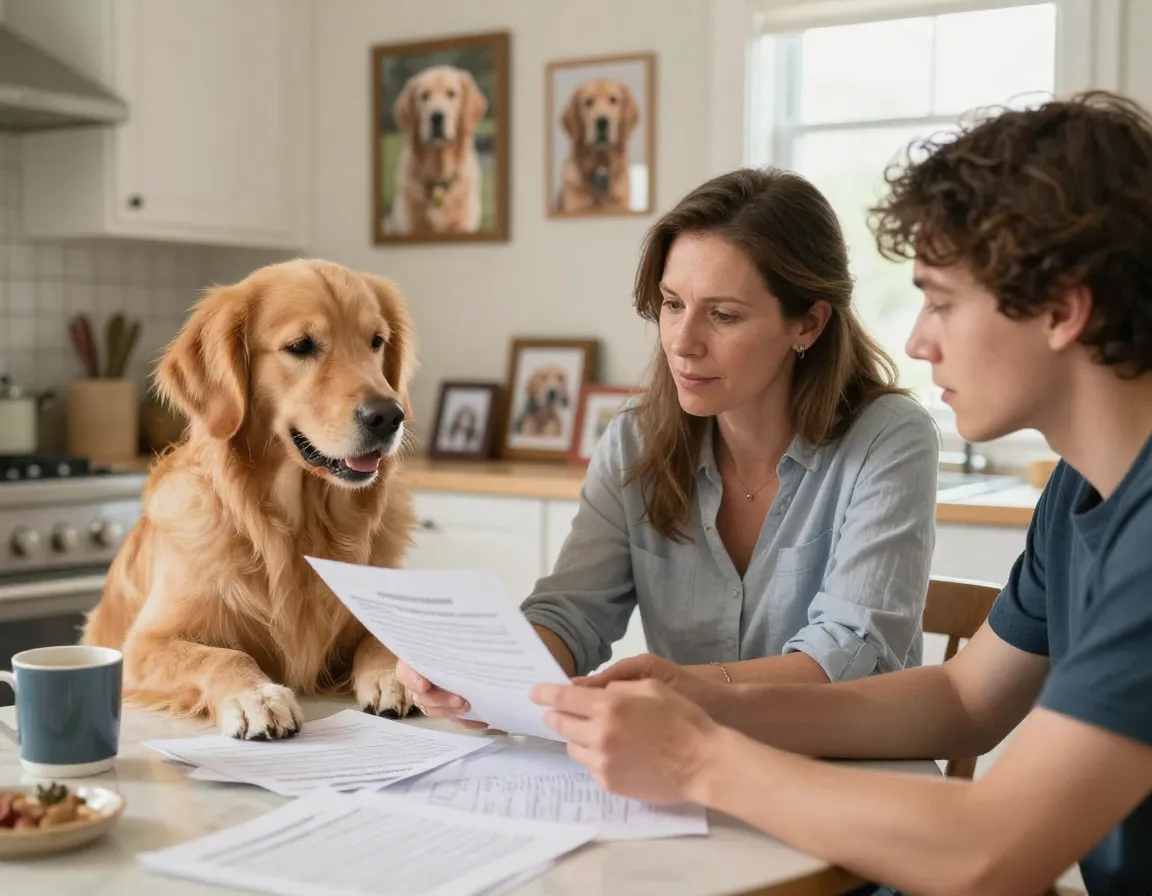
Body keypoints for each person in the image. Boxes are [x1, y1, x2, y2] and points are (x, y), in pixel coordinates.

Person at [529, 89, 1152, 896]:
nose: (918, 340)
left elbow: (992, 851)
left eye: (941, 301)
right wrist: (708, 702)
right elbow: (965, 700)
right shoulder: (1079, 490)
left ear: (1063, 309)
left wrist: (696, 755)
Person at [400, 167, 940, 721]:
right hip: (680, 758)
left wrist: (673, 688)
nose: (682, 343)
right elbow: (572, 614)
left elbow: (850, 656)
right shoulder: (633, 440)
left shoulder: (890, 439)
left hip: (844, 761)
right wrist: (479, 671)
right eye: (672, 303)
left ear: (808, 324)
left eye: (723, 315)